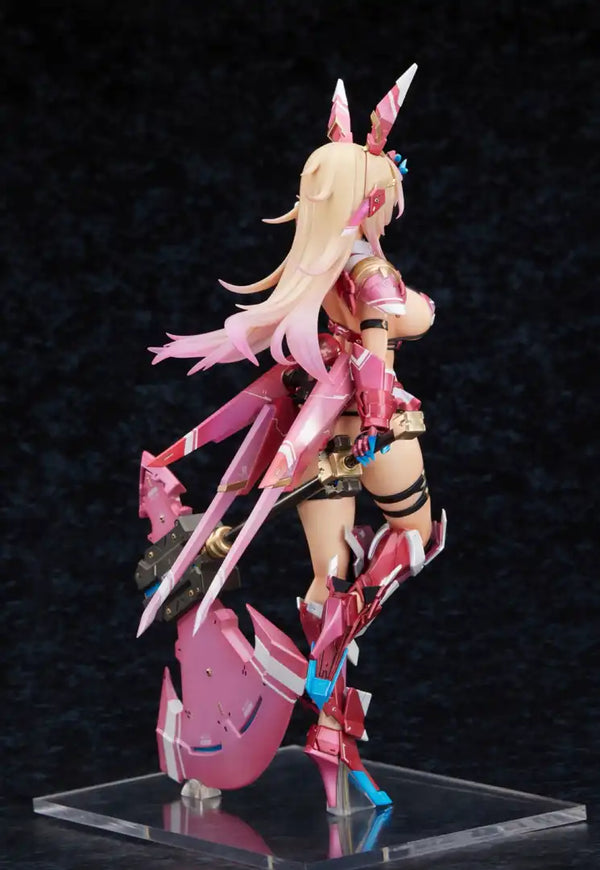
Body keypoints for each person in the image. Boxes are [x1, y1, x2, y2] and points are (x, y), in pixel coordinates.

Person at [146, 68, 446, 813]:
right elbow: (379, 348)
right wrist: (375, 422)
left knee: (327, 576)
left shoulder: (316, 269)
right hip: (378, 428)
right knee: (416, 536)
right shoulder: (370, 271)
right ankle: (332, 670)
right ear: (369, 198)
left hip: (315, 433)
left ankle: (331, 724)